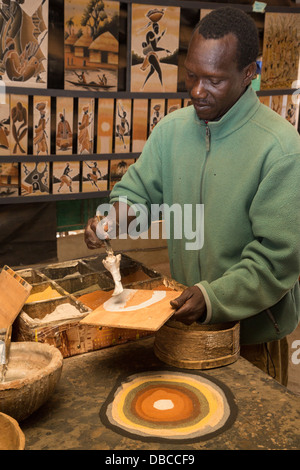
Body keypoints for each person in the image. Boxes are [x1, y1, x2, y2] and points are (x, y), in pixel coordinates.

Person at [84, 7, 300, 385]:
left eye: (214, 80)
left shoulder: (280, 149)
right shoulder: (171, 131)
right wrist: (113, 218)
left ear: (249, 73)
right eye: (192, 75)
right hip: (183, 326)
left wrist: (212, 297)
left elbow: (277, 259)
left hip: (249, 340)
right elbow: (139, 192)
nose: (198, 90)